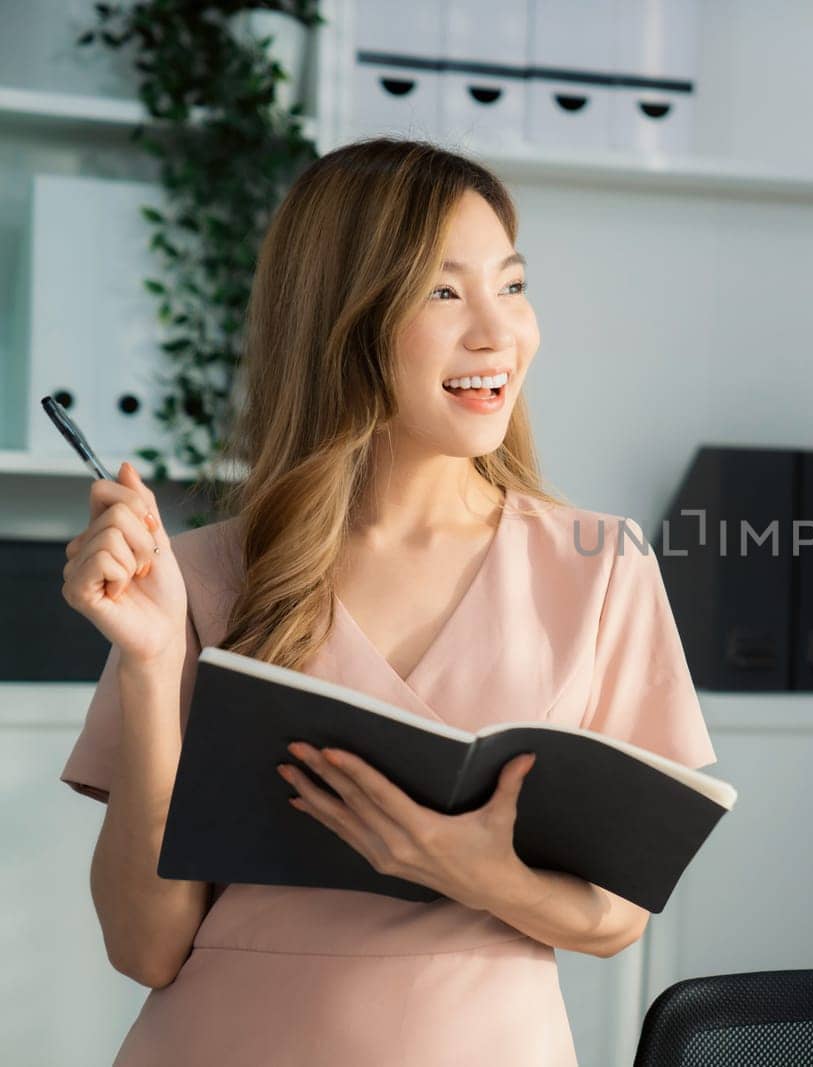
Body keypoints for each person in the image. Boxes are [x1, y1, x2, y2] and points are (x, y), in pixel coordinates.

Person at [57, 137, 716, 1065]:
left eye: (513, 286)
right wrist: (154, 659)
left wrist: (477, 873)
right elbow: (145, 947)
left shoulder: (599, 565)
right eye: (444, 293)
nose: (498, 332)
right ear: (341, 318)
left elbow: (615, 917)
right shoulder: (199, 575)